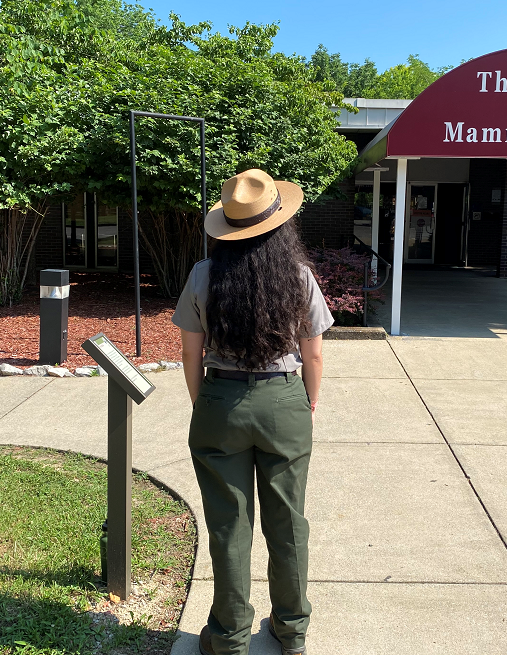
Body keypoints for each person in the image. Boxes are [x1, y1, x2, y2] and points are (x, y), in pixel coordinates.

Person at [173, 169, 333, 655]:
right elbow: (315, 354)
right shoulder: (298, 276)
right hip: (284, 399)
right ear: (279, 224)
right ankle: (292, 631)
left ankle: (229, 637)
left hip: (222, 400)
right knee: (289, 522)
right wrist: (308, 403)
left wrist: (205, 401)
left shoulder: (204, 275)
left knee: (228, 523)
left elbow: (189, 353)